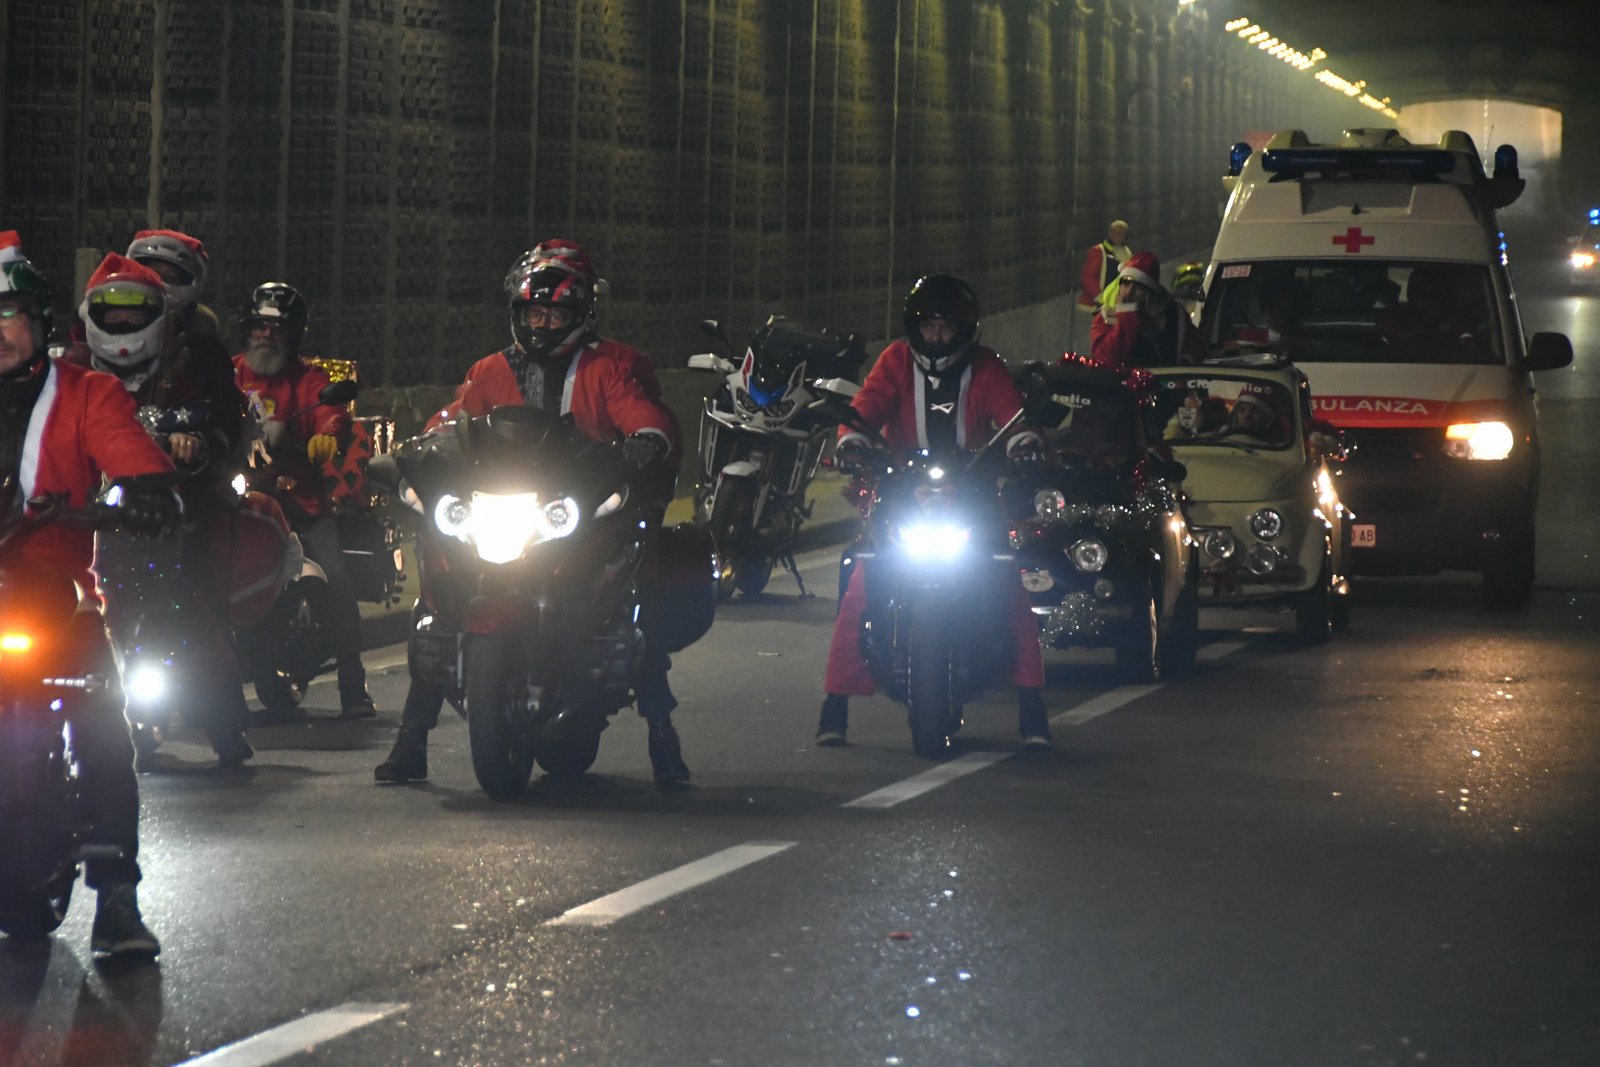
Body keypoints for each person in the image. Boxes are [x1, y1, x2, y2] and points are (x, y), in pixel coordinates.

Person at [374, 239, 691, 788]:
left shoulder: (609, 366)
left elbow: (642, 414)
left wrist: (644, 442)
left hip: (577, 508)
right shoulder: (491, 369)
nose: (543, 325)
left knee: (633, 593)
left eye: (555, 315)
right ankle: (411, 741)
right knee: (439, 596)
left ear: (581, 315)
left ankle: (662, 733)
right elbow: (454, 418)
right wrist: (417, 449)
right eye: (534, 314)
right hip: (501, 508)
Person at [0, 231, 176, 957]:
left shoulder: (87, 393)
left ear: (39, 321)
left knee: (103, 718)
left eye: (7, 315)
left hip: (57, 590)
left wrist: (146, 490)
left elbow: (130, 452)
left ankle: (118, 899)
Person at [818, 274, 1052, 751]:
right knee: (863, 578)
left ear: (964, 329)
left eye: (946, 328)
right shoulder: (895, 360)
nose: (937, 337)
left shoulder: (985, 366)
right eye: (929, 327)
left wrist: (1024, 442)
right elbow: (868, 404)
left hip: (973, 490)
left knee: (1008, 580)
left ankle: (1033, 713)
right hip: (903, 489)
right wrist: (853, 441)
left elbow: (1011, 413)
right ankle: (833, 710)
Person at [78, 252, 254, 765]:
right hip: (77, 523)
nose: (123, 324)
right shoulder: (65, 373)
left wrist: (194, 443)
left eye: (135, 314)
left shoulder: (192, 363)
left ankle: (225, 724)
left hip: (167, 516)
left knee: (190, 609)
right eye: (113, 314)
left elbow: (223, 425)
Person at [233, 283, 376, 719]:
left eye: (276, 329)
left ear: (293, 335)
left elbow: (331, 412)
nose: (265, 336)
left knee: (334, 576)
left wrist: (327, 435)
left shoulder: (309, 379)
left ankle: (353, 682)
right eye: (259, 327)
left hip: (298, 498)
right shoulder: (228, 373)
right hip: (237, 495)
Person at [1089, 250, 1204, 373]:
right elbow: (1105, 359)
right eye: (1126, 284)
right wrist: (1127, 316)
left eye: (1138, 287)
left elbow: (1195, 352)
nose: (1129, 292)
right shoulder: (1106, 317)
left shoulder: (1175, 316)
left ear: (1150, 294)